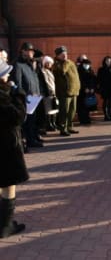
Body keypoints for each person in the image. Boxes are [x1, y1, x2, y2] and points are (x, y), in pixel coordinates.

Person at [0, 58, 29, 238]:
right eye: (6, 73)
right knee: (8, 185)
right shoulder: (2, 96)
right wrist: (19, 96)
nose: (9, 75)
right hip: (5, 147)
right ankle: (5, 226)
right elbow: (17, 116)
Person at [11, 42, 43, 148]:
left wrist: (38, 93)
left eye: (32, 51)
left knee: (33, 120)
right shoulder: (18, 64)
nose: (32, 53)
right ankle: (29, 141)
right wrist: (23, 96)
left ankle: (33, 138)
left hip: (35, 97)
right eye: (29, 50)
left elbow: (35, 81)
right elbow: (17, 83)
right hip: (26, 98)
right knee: (27, 122)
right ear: (23, 51)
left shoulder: (30, 64)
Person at [52, 46, 81, 136]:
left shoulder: (70, 63)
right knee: (64, 111)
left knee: (72, 111)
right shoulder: (57, 64)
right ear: (57, 56)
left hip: (74, 91)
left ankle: (70, 126)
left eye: (65, 53)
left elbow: (75, 76)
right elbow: (62, 71)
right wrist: (65, 62)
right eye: (62, 54)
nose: (64, 55)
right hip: (64, 92)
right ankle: (63, 128)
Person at [97, 56, 111, 122]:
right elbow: (99, 79)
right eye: (107, 61)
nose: (108, 62)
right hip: (105, 89)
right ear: (104, 62)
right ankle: (106, 116)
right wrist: (100, 87)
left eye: (109, 61)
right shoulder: (101, 69)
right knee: (106, 102)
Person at [77, 58, 97, 124]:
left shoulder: (91, 71)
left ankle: (87, 119)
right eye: (85, 64)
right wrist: (84, 88)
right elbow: (79, 81)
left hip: (90, 92)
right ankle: (82, 120)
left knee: (88, 106)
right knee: (81, 107)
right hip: (81, 92)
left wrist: (92, 88)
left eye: (88, 64)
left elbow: (94, 81)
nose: (87, 65)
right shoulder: (79, 71)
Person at [41, 56, 58, 131]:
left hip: (53, 92)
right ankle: (49, 124)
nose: (51, 64)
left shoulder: (50, 71)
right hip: (48, 92)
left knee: (54, 107)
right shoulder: (43, 71)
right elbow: (46, 82)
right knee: (48, 109)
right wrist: (50, 90)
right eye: (49, 63)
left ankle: (53, 123)